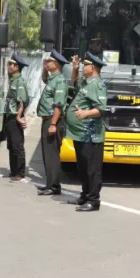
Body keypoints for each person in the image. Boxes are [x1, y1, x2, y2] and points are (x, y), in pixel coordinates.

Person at [65, 52, 109, 212]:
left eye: (85, 65)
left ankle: (93, 200)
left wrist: (85, 113)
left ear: (93, 67)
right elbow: (75, 83)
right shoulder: (86, 82)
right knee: (82, 167)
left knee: (92, 169)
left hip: (92, 135)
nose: (83, 67)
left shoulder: (98, 85)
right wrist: (75, 68)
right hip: (80, 134)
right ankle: (84, 195)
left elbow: (101, 109)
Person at [34, 49, 69, 196]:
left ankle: (54, 186)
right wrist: (44, 68)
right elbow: (44, 80)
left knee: (52, 155)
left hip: (53, 121)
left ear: (57, 64)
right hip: (47, 120)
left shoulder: (60, 81)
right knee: (47, 154)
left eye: (50, 61)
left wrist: (53, 124)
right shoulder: (53, 78)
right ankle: (50, 184)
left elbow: (58, 106)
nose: (47, 63)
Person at [5, 54, 29, 182]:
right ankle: (13, 170)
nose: (8, 66)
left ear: (17, 67)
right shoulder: (13, 79)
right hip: (9, 117)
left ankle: (20, 172)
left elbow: (22, 102)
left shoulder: (19, 82)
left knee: (17, 146)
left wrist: (19, 116)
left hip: (15, 117)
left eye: (10, 64)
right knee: (11, 145)